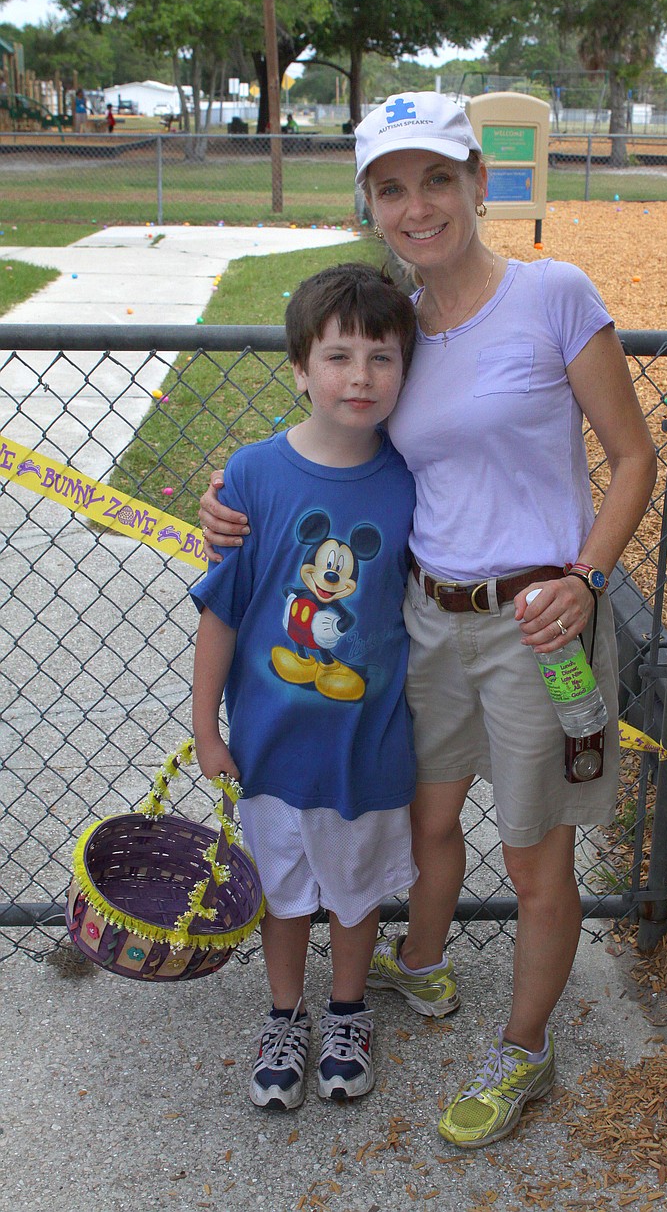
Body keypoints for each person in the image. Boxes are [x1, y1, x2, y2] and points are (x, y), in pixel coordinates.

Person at [199, 91, 657, 1147]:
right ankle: (416, 967)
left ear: (476, 184)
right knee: (427, 821)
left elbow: (633, 457)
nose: (418, 206)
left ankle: (524, 1050)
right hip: (424, 618)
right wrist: (238, 501)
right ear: (371, 202)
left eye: (437, 180)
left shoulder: (552, 295)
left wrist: (585, 579)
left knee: (535, 854)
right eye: (393, 188)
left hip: (539, 623)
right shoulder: (395, 323)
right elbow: (334, 427)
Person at [191, 262, 419, 1112]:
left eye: (382, 358)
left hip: (368, 743)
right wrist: (207, 725)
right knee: (283, 891)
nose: (359, 376)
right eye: (338, 355)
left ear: (405, 370)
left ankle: (349, 1011)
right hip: (272, 743)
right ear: (299, 366)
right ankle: (285, 1015)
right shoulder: (251, 477)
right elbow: (222, 606)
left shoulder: (409, 478)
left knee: (356, 893)